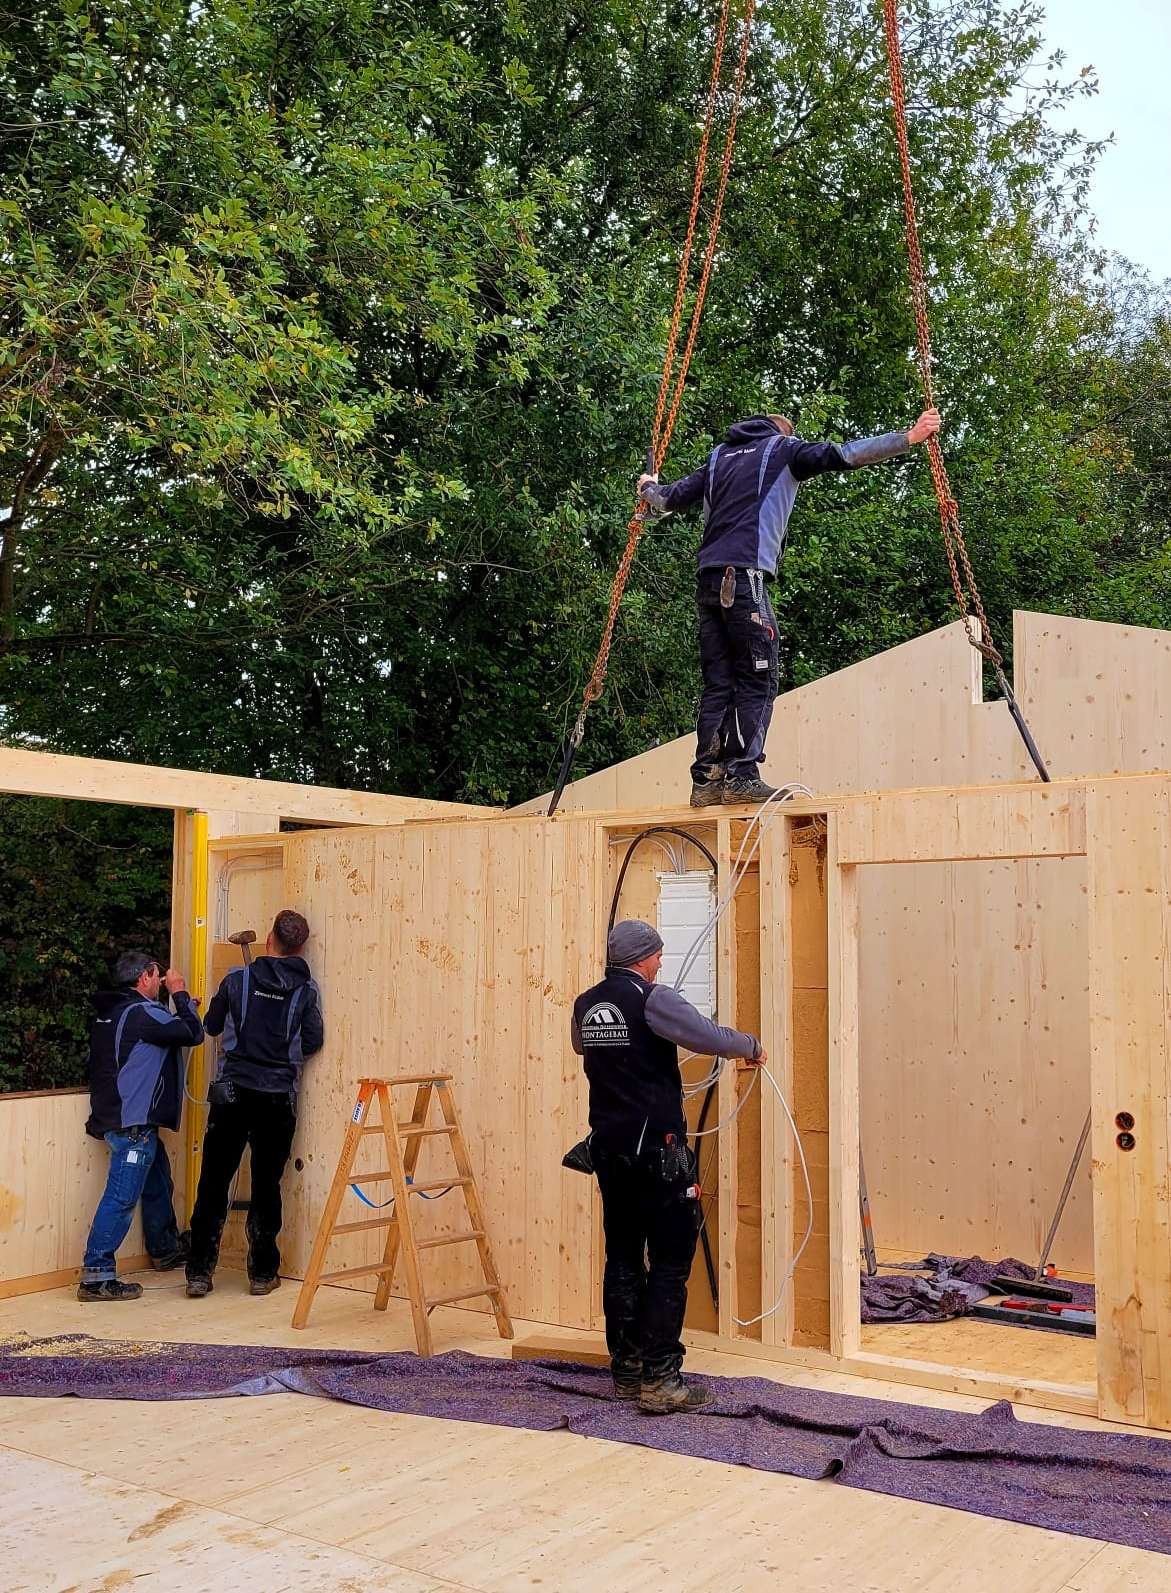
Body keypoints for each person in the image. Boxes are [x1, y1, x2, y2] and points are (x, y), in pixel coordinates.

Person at [638, 406, 942, 806]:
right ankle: (741, 775)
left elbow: (668, 498)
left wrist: (646, 487)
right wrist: (909, 438)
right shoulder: (782, 448)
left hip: (708, 581)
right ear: (780, 431)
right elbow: (843, 454)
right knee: (759, 673)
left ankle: (707, 781)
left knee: (719, 682)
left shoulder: (718, 458)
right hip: (743, 575)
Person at [571, 919, 764, 1413]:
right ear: (642, 958)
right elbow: (707, 1037)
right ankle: (661, 1381)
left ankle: (628, 1371)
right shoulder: (653, 998)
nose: (661, 963)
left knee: (623, 1260)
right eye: (657, 955)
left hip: (610, 1154)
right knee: (671, 1264)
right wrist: (750, 1046)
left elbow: (586, 1048)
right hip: (658, 1154)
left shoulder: (587, 1004)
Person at [186, 909, 323, 1299]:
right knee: (267, 1185)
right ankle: (263, 1274)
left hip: (233, 1094)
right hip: (278, 1098)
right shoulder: (306, 991)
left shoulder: (236, 980)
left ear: (268, 939)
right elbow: (312, 1042)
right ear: (300, 946)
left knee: (213, 1182)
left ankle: (199, 1273)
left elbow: (211, 1026)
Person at [79, 950, 204, 1302]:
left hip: (120, 1118)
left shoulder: (115, 1012)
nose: (161, 979)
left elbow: (162, 1031)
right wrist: (179, 993)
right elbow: (192, 1034)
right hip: (132, 1124)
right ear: (143, 978)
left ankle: (165, 1248)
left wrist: (179, 1008)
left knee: (157, 1179)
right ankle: (96, 1276)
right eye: (157, 975)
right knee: (121, 1198)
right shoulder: (143, 1013)